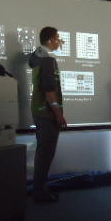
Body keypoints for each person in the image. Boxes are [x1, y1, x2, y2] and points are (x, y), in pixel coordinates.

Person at [29, 26, 67, 203]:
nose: (61, 41)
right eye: (58, 38)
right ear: (51, 40)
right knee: (45, 154)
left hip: (39, 111)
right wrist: (59, 115)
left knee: (43, 153)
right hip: (47, 114)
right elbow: (49, 92)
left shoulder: (38, 57)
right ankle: (39, 192)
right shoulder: (47, 60)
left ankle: (40, 189)